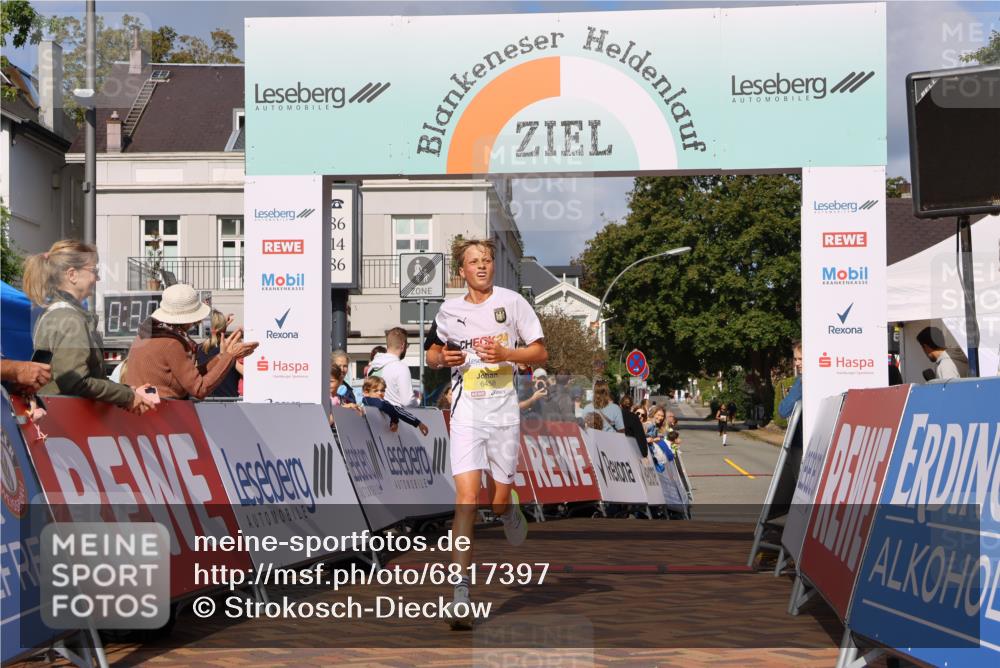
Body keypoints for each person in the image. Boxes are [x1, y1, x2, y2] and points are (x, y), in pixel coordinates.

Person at [425, 238, 547, 630]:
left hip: (503, 412)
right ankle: (460, 593)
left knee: (494, 503)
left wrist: (507, 355)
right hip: (466, 412)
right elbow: (430, 352)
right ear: (462, 271)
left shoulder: (513, 304)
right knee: (465, 498)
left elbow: (540, 353)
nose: (482, 266)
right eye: (474, 262)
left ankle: (508, 507)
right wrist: (442, 357)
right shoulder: (448, 310)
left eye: (488, 260)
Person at [23, 240, 157, 414]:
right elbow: (75, 382)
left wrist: (126, 392)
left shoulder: (57, 313)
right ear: (72, 275)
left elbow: (82, 380)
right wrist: (127, 395)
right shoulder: (69, 319)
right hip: (65, 421)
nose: (98, 278)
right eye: (94, 271)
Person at [126, 284, 258, 400]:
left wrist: (221, 357)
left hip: (145, 414)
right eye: (196, 318)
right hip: (162, 414)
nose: (198, 322)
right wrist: (230, 356)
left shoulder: (149, 334)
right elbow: (199, 389)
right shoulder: (172, 343)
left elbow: (190, 376)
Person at [196, 310, 242, 398]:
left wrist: (222, 327)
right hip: (229, 400)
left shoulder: (199, 349)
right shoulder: (232, 349)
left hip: (205, 400)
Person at [361, 377, 429, 435]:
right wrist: (418, 423)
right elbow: (394, 410)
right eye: (375, 391)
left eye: (382, 390)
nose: (380, 393)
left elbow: (392, 409)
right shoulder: (372, 400)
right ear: (366, 393)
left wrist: (393, 421)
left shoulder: (370, 401)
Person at [368, 328, 416, 407]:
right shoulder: (401, 368)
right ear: (403, 345)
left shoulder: (373, 366)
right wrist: (416, 400)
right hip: (394, 417)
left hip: (374, 416)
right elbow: (407, 402)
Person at [778, 341, 803, 419]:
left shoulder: (802, 381)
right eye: (795, 359)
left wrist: (796, 388)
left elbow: (784, 410)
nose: (797, 363)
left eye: (800, 359)